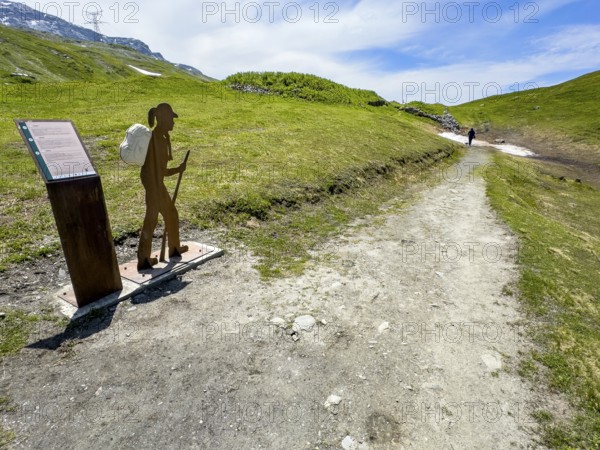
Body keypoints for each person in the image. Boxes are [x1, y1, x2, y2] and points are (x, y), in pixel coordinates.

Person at [137, 103, 188, 270]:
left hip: (155, 183)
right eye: (171, 119)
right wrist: (177, 170)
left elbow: (160, 170)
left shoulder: (162, 137)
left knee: (169, 214)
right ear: (163, 119)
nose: (173, 122)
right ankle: (144, 259)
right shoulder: (157, 140)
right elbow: (159, 170)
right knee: (153, 219)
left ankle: (173, 248)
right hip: (154, 185)